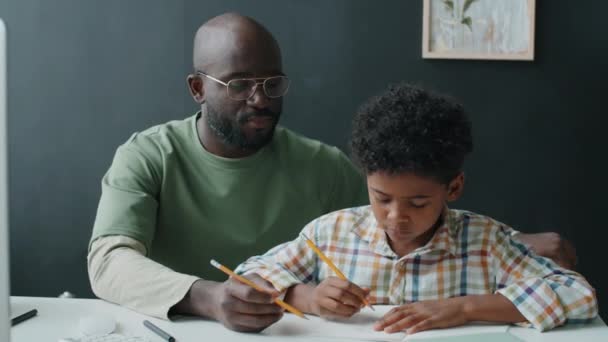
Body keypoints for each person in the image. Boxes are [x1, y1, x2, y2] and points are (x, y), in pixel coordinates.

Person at [87, 12, 577, 333]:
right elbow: (109, 262)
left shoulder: (323, 165)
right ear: (198, 88)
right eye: (238, 84)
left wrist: (514, 243)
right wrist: (211, 297)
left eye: (272, 83)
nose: (260, 98)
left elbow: (405, 216)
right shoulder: (147, 156)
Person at [235, 83, 597, 333]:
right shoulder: (329, 233)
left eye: (418, 202)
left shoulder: (487, 243)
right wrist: (310, 297)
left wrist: (463, 308)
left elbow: (577, 295)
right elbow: (249, 277)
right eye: (381, 198)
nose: (396, 217)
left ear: (453, 187)